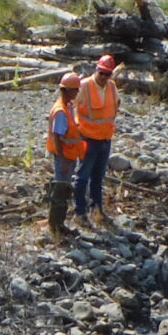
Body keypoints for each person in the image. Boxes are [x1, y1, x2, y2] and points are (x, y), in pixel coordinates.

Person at [72, 55, 121, 228]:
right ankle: (79, 212)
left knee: (98, 178)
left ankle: (97, 210)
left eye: (108, 74)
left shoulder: (112, 87)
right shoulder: (84, 86)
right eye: (102, 73)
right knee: (82, 177)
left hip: (105, 140)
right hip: (87, 139)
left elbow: (116, 106)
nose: (104, 77)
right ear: (96, 69)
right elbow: (69, 105)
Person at [45, 71, 86, 242]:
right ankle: (56, 227)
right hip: (64, 157)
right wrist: (62, 160)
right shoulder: (61, 111)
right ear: (67, 90)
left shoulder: (67, 106)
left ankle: (59, 224)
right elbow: (57, 136)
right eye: (75, 90)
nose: (77, 93)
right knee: (61, 191)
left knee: (64, 189)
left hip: (70, 155)